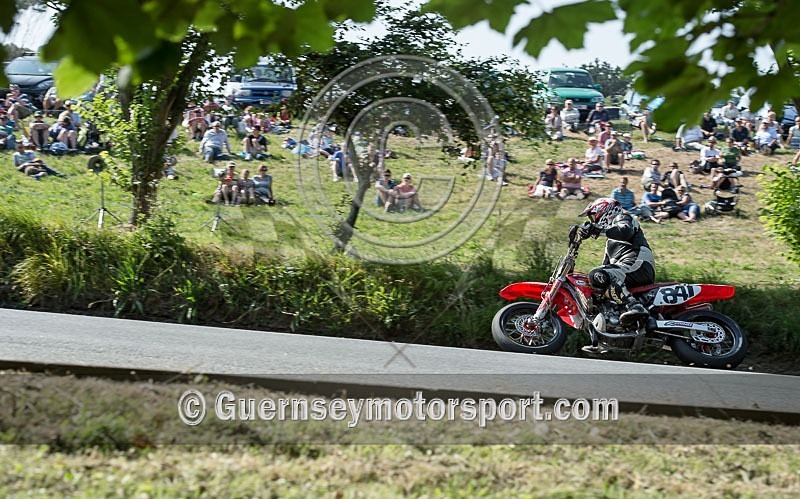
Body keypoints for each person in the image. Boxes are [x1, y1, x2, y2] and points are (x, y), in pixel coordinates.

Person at [577, 198, 655, 323]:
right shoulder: (610, 243)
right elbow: (605, 269)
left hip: (638, 265)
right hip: (629, 269)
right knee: (597, 278)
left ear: (605, 211)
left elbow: (625, 232)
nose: (593, 221)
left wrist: (598, 230)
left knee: (596, 273)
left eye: (593, 217)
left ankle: (635, 306)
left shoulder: (623, 218)